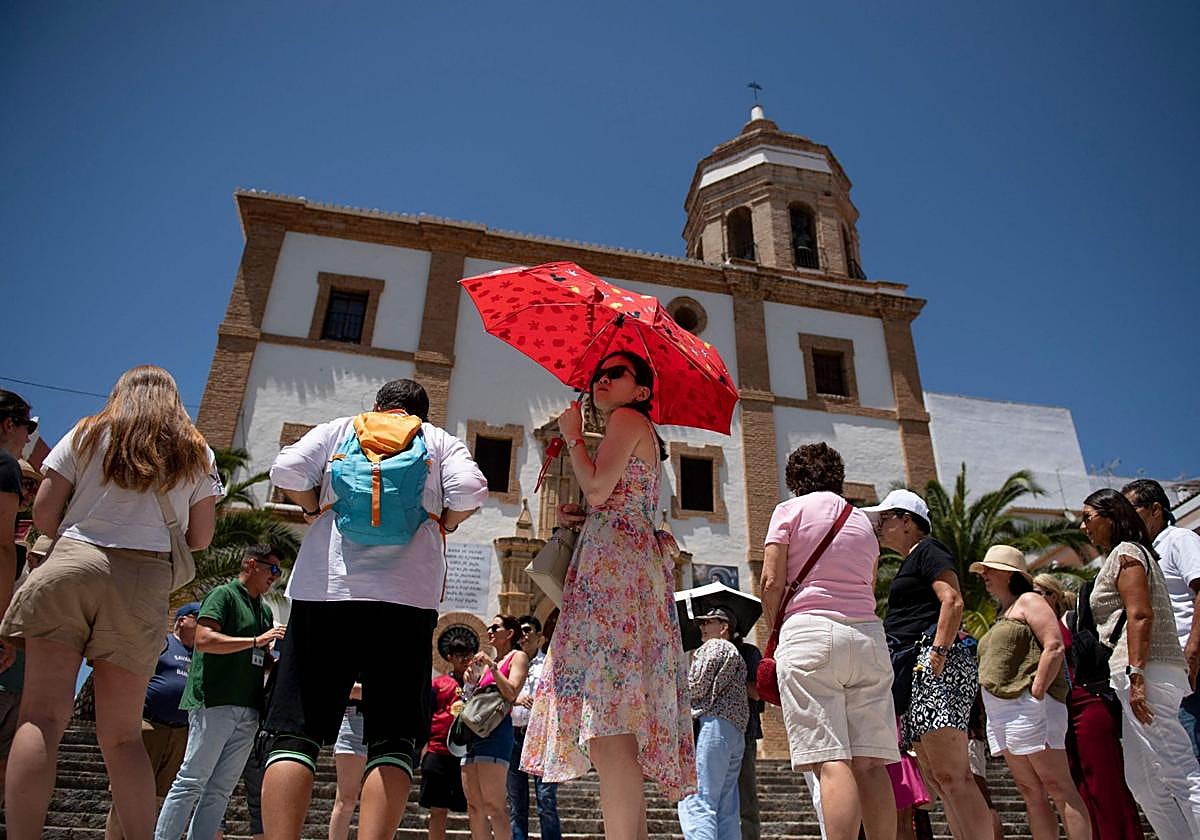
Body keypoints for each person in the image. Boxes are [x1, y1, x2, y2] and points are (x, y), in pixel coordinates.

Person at [262, 378, 487, 840]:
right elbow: (470, 488)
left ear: (378, 406)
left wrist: (310, 508)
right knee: (394, 737)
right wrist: (446, 520)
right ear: (421, 413)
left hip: (325, 591)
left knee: (296, 732)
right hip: (406, 599)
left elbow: (284, 470)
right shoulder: (438, 439)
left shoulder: (341, 428)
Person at [1, 366, 220, 840]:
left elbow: (42, 513)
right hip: (142, 580)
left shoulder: (88, 431)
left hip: (73, 560)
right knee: (122, 737)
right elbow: (201, 538)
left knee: (40, 717)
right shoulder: (195, 450)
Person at [522, 351, 697, 840]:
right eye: (600, 372)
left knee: (611, 726)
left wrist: (574, 434)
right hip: (624, 561)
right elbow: (611, 497)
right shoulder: (639, 426)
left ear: (641, 391)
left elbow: (598, 489)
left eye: (616, 373)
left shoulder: (626, 417)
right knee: (611, 729)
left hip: (613, 570)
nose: (602, 378)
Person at [761, 443, 898, 840]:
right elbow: (869, 583)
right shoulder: (862, 523)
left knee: (830, 757)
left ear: (794, 481)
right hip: (868, 636)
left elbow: (771, 579)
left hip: (809, 632)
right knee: (871, 764)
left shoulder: (788, 511)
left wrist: (777, 627)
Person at [864, 488, 992, 840]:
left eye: (885, 519)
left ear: (908, 522)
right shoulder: (911, 559)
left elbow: (951, 600)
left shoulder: (929, 550)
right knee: (938, 778)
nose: (879, 526)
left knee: (954, 776)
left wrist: (938, 652)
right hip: (915, 671)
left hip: (932, 665)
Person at [1081, 488, 1200, 839]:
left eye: (1088, 518)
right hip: (1136, 672)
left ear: (1111, 515)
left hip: (1146, 670)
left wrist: (1136, 675)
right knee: (1142, 779)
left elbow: (1140, 615)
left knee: (1179, 769)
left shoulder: (1128, 553)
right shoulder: (1124, 554)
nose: (1084, 527)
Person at [153, 545, 282, 840]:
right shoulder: (223, 595)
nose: (275, 577)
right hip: (216, 701)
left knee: (221, 789)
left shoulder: (262, 609)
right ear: (251, 564)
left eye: (279, 571)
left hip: (248, 707)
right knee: (191, 780)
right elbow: (204, 638)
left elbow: (260, 656)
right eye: (272, 569)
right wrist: (255, 640)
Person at [971, 545, 1090, 839]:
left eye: (990, 569)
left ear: (1009, 574)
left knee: (1057, 785)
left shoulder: (1029, 600)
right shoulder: (1004, 610)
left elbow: (1054, 645)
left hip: (1029, 703)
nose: (984, 575)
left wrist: (1036, 692)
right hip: (1004, 710)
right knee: (1029, 790)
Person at [1036, 572, 1144, 839]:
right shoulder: (1032, 625)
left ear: (1054, 596)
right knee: (1080, 784)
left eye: (1041, 592)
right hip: (1064, 710)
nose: (1034, 598)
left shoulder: (1070, 620)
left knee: (1106, 784)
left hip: (1089, 702)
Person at [104, 602, 200, 839]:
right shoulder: (163, 644)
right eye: (198, 618)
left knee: (159, 797)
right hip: (149, 726)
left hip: (180, 732)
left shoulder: (200, 655)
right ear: (182, 620)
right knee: (126, 794)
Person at [1124, 478, 1200, 759]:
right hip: (1167, 672)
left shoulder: (1180, 540)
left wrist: (1192, 653)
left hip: (1190, 665)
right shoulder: (1145, 554)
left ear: (1156, 509)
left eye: (1131, 510)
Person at [678, 606, 747, 840]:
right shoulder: (737, 654)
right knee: (726, 806)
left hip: (714, 724)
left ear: (724, 627)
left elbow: (697, 686)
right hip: (735, 730)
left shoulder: (715, 646)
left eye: (708, 623)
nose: (702, 628)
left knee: (698, 798)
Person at [461, 614, 528, 839]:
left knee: (493, 804)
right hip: (473, 734)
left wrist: (492, 667)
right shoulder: (492, 662)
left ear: (509, 633)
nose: (489, 631)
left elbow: (511, 692)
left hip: (497, 732)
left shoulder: (517, 657)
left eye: (495, 627)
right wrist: (470, 683)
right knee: (474, 806)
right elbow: (475, 701)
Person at [0, 460, 42, 806]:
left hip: (21, 676)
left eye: (31, 487)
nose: (26, 493)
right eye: (22, 484)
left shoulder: (20, 548)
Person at [507, 615, 560, 840]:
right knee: (516, 803)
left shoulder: (550, 664)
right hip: (513, 736)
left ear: (540, 637)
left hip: (541, 738)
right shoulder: (508, 664)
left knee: (546, 801)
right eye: (520, 631)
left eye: (528, 630)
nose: (524, 635)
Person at [422, 628, 476, 840]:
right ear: (451, 658)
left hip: (468, 755)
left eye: (468, 655)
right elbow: (426, 716)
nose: (465, 660)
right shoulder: (439, 684)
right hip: (439, 752)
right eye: (460, 656)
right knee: (438, 810)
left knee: (475, 807)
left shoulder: (479, 685)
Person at [328, 681, 367, 840]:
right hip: (354, 722)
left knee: (379, 803)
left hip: (386, 724)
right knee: (346, 801)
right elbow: (344, 687)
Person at [734, 634, 762, 840]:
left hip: (745, 731)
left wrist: (731, 679)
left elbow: (757, 692)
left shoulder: (749, 653)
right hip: (712, 732)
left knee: (746, 795)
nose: (703, 627)